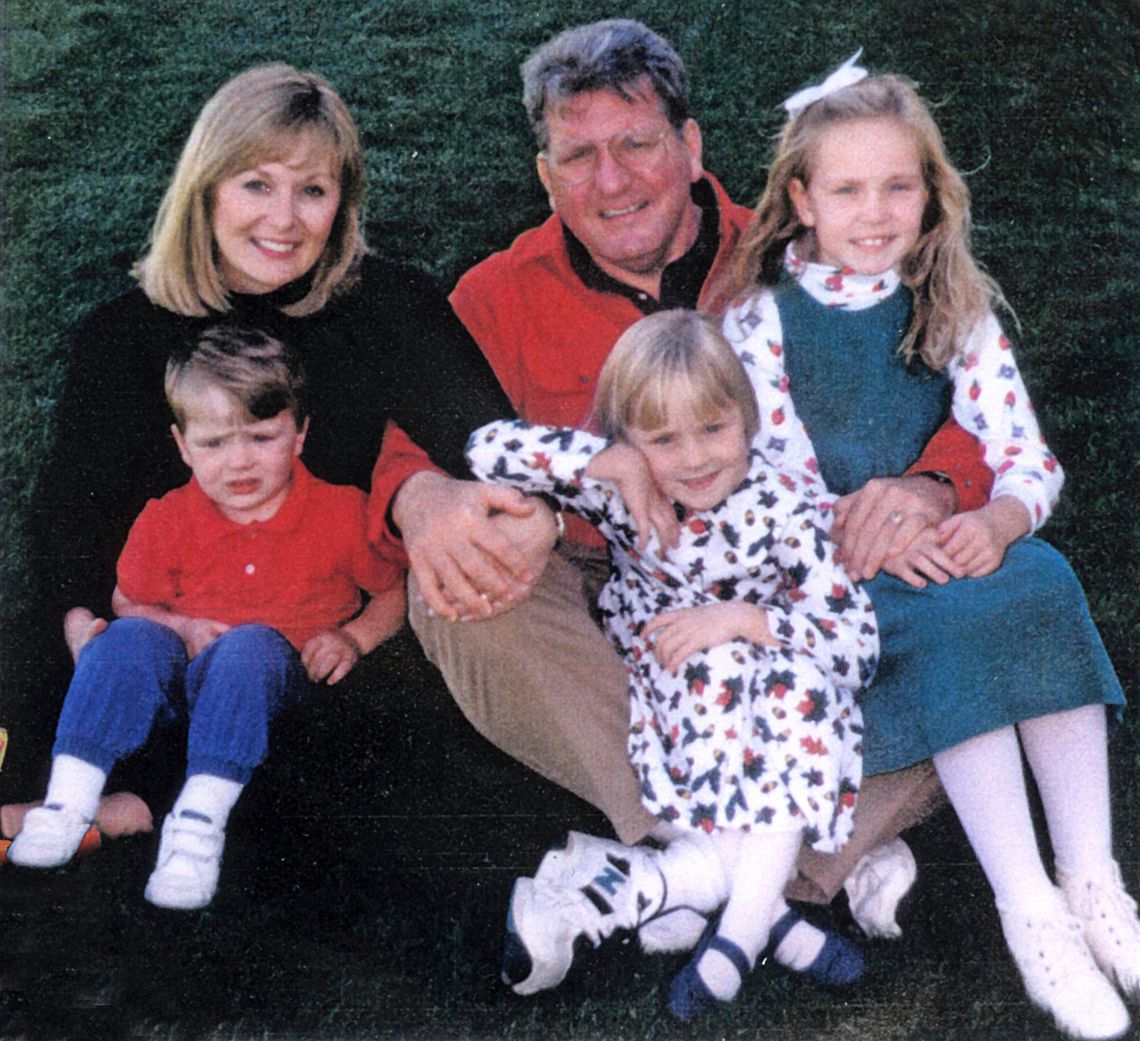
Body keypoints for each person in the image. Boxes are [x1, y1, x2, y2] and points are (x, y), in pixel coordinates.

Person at [372, 19, 993, 993]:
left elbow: (966, 397)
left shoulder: (800, 261)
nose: (610, 181)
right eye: (579, 156)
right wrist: (421, 497)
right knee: (456, 591)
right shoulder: (495, 297)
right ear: (545, 174)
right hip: (594, 579)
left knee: (995, 627)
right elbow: (408, 443)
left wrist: (931, 484)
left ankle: (660, 876)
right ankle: (799, 858)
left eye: (636, 144)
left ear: (692, 148)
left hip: (781, 572)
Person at [720, 53, 1136, 1041]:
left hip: (954, 544)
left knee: (1041, 577)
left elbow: (1023, 454)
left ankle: (1094, 882)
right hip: (836, 577)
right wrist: (857, 527)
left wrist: (997, 519)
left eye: (897, 187)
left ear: (929, 195)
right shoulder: (759, 324)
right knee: (959, 625)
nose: (875, 213)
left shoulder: (955, 308)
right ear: (801, 200)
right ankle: (1027, 906)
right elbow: (755, 483)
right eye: (848, 189)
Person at [12, 64, 521, 802]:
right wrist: (86, 634)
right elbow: (70, 523)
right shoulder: (121, 337)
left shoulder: (389, 306)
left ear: (341, 205)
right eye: (256, 184)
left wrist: (423, 494)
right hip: (157, 630)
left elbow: (483, 437)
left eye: (311, 190)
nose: (284, 219)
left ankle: (165, 795)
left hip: (321, 648)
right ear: (206, 188)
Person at [467, 309, 879, 1018]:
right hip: (672, 687)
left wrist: (747, 620)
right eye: (662, 439)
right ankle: (772, 919)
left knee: (800, 688)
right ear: (629, 440)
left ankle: (739, 936)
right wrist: (603, 462)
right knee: (719, 674)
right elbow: (485, 448)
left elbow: (856, 642)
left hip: (772, 693)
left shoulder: (782, 505)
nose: (693, 458)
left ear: (747, 419)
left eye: (714, 429)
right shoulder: (625, 487)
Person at [10, 327, 406, 909]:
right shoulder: (168, 518)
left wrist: (353, 636)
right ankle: (67, 800)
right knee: (126, 638)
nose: (240, 461)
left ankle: (197, 826)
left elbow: (394, 591)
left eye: (262, 437)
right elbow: (128, 599)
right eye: (215, 443)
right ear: (183, 445)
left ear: (300, 434)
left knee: (249, 647)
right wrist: (185, 629)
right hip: (182, 680)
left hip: (275, 686)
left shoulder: (341, 512)